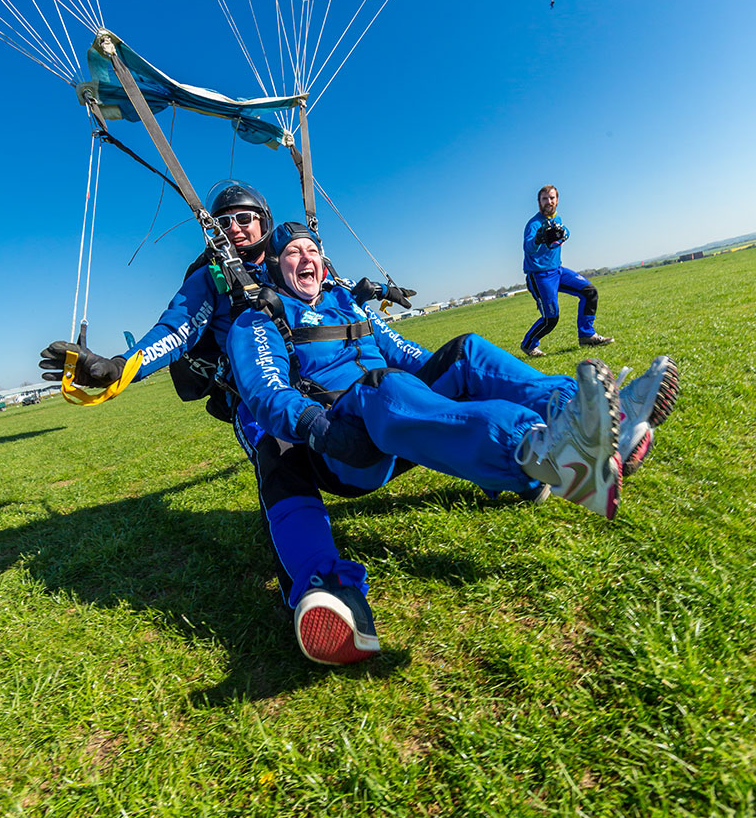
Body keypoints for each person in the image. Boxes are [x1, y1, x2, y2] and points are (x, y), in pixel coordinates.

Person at [227, 223, 678, 668]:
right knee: (359, 400)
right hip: (342, 444)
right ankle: (546, 453)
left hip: (398, 415)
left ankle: (587, 415)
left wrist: (453, 387)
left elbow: (414, 358)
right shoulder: (261, 320)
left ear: (323, 263)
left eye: (311, 250)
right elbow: (266, 392)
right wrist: (319, 426)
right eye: (292, 252)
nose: (304, 258)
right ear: (275, 264)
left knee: (466, 351)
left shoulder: (350, 306)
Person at [38, 182, 415, 616]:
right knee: (278, 451)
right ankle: (317, 590)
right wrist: (121, 366)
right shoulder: (210, 279)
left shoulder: (289, 260)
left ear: (264, 223)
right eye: (225, 220)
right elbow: (175, 332)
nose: (234, 227)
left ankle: (494, 455)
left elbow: (340, 288)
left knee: (392, 409)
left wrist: (382, 292)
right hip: (254, 398)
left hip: (322, 382)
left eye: (244, 217)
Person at [521, 184, 614, 358]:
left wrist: (565, 233)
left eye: (552, 198)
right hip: (539, 276)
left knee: (589, 292)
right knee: (551, 318)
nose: (549, 202)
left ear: (557, 200)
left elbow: (565, 231)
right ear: (538, 202)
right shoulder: (533, 224)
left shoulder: (557, 218)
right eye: (545, 199)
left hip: (558, 271)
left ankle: (587, 335)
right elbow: (528, 248)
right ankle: (528, 345)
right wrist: (539, 239)